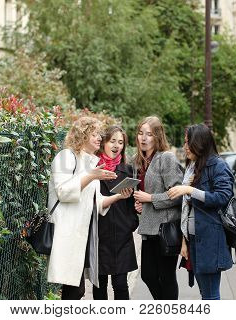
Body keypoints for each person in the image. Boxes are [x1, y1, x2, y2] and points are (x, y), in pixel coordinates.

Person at [47, 116, 132, 300]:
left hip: (84, 234)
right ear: (83, 135)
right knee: (73, 289)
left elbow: (96, 202)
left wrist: (119, 196)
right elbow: (63, 192)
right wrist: (91, 176)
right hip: (68, 232)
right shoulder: (65, 156)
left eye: (100, 135)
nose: (99, 138)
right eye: (94, 134)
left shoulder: (90, 161)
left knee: (76, 289)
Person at [167, 124, 234, 300]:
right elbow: (187, 209)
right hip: (194, 240)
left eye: (188, 142)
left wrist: (189, 190)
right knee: (205, 294)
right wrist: (184, 242)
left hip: (211, 240)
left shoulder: (218, 166)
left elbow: (222, 196)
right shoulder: (194, 166)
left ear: (200, 143)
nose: (185, 147)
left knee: (210, 296)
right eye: (184, 142)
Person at [132, 116, 184, 300]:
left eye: (149, 134)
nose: (143, 138)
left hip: (165, 228)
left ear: (158, 137)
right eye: (140, 133)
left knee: (167, 277)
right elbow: (143, 194)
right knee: (148, 275)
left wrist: (150, 198)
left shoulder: (166, 158)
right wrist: (140, 204)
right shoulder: (139, 161)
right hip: (148, 229)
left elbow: (178, 195)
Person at [92, 125, 139, 300]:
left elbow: (135, 202)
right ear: (104, 143)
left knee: (120, 284)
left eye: (121, 142)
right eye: (113, 141)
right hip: (99, 235)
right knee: (100, 284)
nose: (117, 145)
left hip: (122, 235)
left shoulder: (128, 170)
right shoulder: (93, 169)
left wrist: (130, 224)